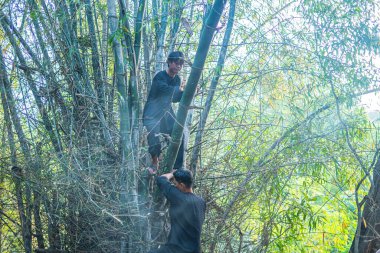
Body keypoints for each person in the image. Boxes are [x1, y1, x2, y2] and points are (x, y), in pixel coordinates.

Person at [143, 51, 187, 172]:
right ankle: (154, 163)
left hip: (166, 113)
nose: (179, 66)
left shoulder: (177, 79)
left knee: (180, 134)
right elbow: (164, 90)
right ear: (169, 62)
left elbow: (175, 98)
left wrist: (187, 93)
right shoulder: (160, 76)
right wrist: (180, 89)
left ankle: (176, 167)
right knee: (153, 136)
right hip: (152, 113)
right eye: (176, 63)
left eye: (181, 63)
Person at [149, 169, 206, 253]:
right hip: (195, 250)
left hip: (177, 249)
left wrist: (171, 174)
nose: (174, 186)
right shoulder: (201, 202)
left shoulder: (179, 197)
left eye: (175, 184)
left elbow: (161, 179)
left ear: (182, 185)